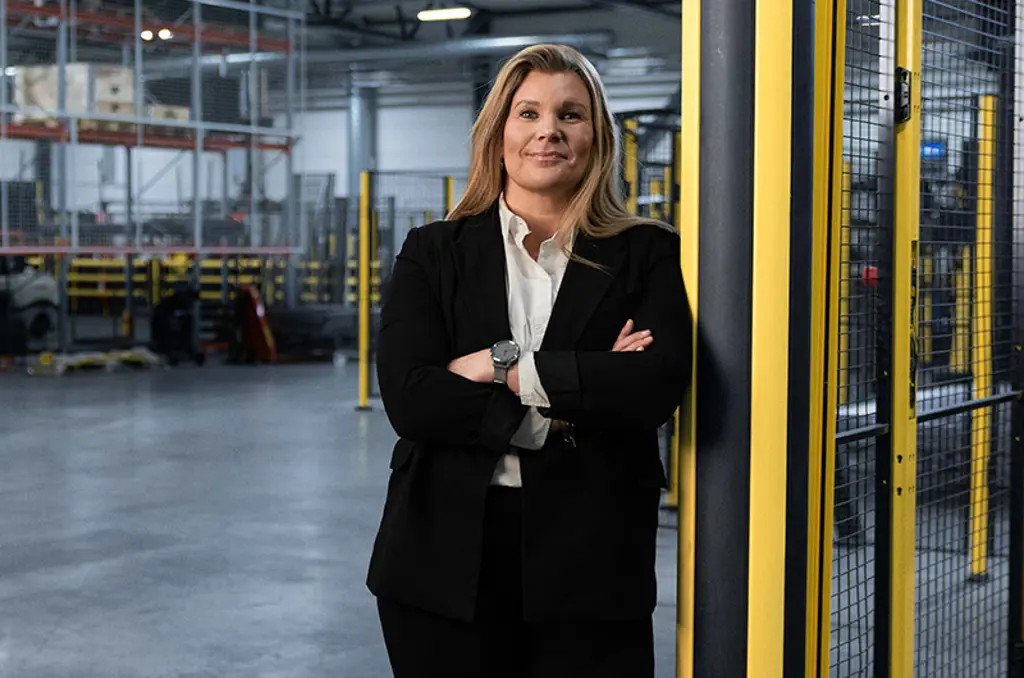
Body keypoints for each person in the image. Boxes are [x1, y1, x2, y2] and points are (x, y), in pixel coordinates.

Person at [367, 43, 691, 678]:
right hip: (442, 561)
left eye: (570, 114)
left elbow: (653, 386)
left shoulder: (647, 252)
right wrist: (570, 394)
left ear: (597, 137)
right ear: (498, 134)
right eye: (528, 113)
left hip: (593, 561)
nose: (549, 131)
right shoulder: (433, 251)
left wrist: (502, 368)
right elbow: (411, 396)